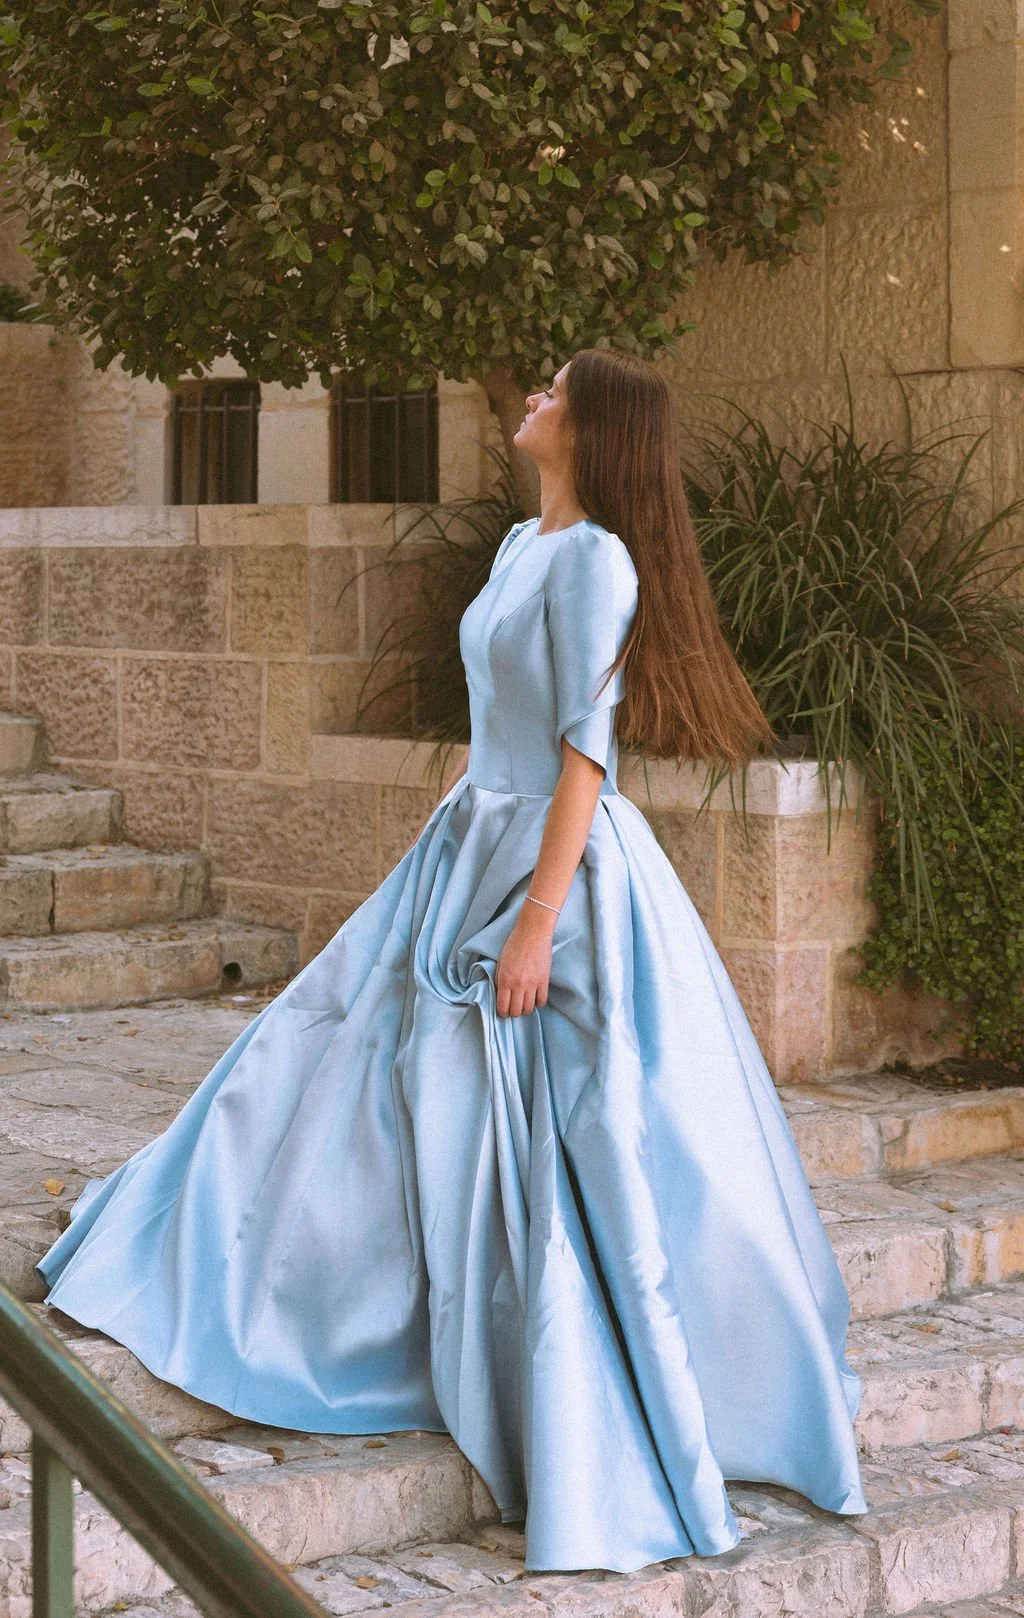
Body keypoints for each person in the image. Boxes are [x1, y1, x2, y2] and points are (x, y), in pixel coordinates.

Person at [37, 347, 867, 1575]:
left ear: (590, 429)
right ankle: (289, 1272)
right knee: (334, 1060)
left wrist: (536, 920)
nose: (530, 400)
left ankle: (580, 1386)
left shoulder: (595, 561)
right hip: (467, 840)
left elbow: (587, 753)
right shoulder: (523, 546)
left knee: (556, 1132)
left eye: (551, 393)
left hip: (551, 870)